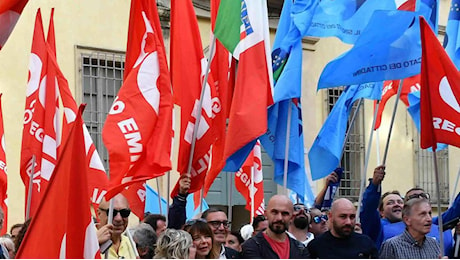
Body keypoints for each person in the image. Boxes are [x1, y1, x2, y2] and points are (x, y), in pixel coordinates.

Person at [360, 165, 455, 255]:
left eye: (399, 202)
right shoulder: (384, 236)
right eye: (390, 202)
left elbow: (454, 213)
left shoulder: (433, 241)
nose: (396, 204)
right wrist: (374, 186)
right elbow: (369, 211)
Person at [242, 195, 309, 258]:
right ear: (266, 214)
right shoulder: (252, 246)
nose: (279, 218)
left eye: (285, 214)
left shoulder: (300, 249)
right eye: (274, 212)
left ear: (291, 218)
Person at [308, 198, 377, 258]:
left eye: (352, 217)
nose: (348, 222)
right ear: (330, 216)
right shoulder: (316, 246)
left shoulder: (366, 243)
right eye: (343, 216)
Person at [96, 193, 136, 259]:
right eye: (112, 212)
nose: (118, 219)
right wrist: (94, 244)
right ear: (99, 214)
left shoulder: (130, 243)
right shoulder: (86, 244)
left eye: (124, 213)